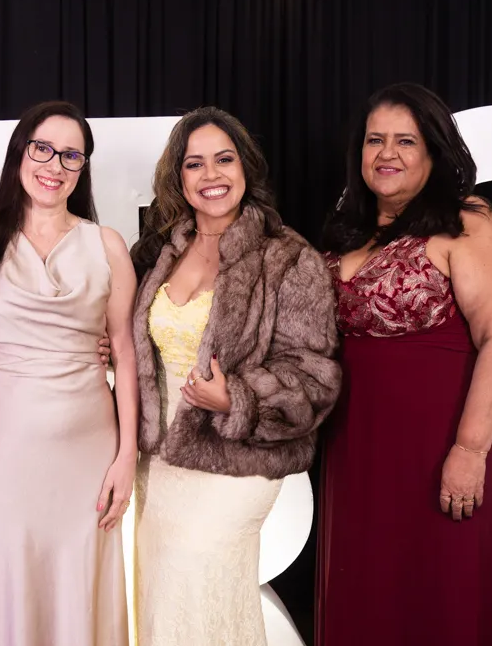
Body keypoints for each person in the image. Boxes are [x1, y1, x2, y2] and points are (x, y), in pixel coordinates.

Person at [315, 82, 492, 646]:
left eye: (405, 141)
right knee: (376, 600)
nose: (386, 153)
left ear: (434, 152)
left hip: (448, 445)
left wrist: (469, 451)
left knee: (446, 599)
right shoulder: (349, 230)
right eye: (375, 140)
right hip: (362, 450)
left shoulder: (467, 222)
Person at [127, 106, 342, 646]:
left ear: (246, 166)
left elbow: (315, 377)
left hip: (234, 461)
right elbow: (149, 342)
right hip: (158, 462)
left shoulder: (287, 258)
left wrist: (237, 400)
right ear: (178, 177)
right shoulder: (163, 250)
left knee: (197, 584)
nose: (211, 175)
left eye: (224, 159)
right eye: (194, 164)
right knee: (160, 598)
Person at [0, 100, 138, 646]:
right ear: (20, 153)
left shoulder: (106, 244)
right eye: (42, 149)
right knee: (11, 582)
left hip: (88, 455)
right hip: (3, 455)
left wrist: (127, 455)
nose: (54, 166)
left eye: (70, 155)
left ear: (82, 168)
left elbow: (125, 351)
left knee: (81, 583)